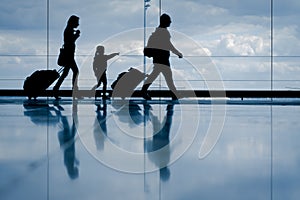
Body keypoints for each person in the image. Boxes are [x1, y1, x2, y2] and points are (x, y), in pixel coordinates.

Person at [142, 13, 183, 100]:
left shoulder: (158, 32)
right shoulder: (164, 32)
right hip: (163, 58)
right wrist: (178, 53)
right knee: (168, 76)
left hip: (158, 58)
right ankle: (174, 94)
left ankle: (144, 90)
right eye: (169, 21)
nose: (170, 22)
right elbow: (169, 45)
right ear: (165, 22)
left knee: (158, 75)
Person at [53, 15, 81, 99]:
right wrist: (77, 35)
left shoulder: (68, 30)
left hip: (69, 56)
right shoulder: (68, 30)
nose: (78, 24)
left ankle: (56, 89)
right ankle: (74, 91)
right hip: (69, 56)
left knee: (66, 74)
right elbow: (70, 41)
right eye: (77, 22)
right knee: (75, 72)